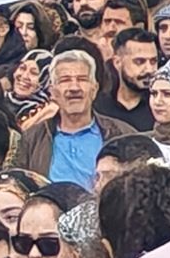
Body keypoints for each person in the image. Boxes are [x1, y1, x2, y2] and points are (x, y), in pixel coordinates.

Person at [12, 49, 120, 187]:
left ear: (94, 89)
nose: (74, 87)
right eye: (65, 80)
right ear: (52, 92)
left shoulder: (122, 134)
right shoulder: (32, 138)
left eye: (82, 79)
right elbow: (17, 183)